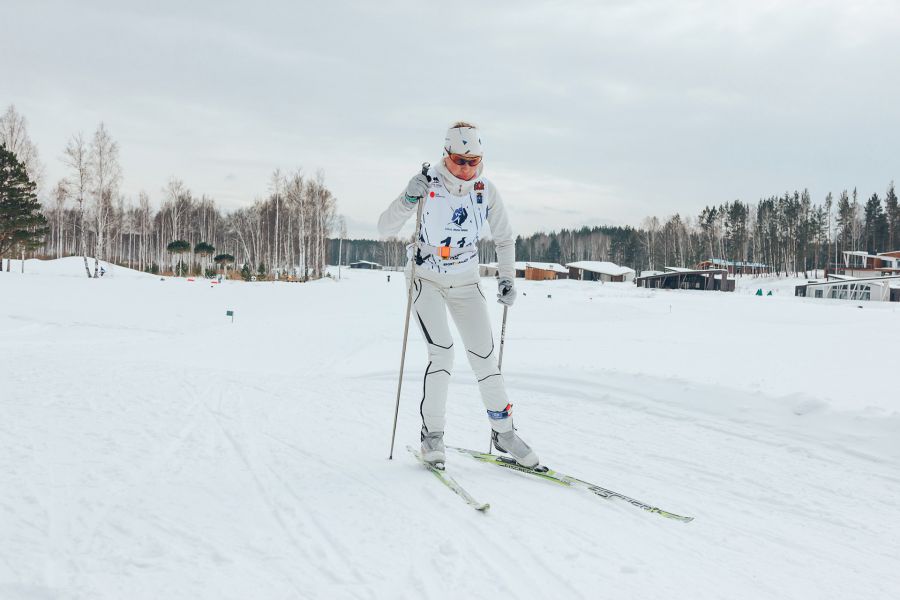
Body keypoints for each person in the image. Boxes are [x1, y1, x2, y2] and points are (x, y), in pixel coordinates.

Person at [378, 122, 539, 468]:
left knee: (484, 355)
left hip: (465, 280)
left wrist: (507, 278)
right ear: (446, 155)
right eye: (459, 160)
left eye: (474, 160)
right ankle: (432, 435)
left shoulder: (486, 190)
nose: (467, 168)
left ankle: (504, 432)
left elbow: (504, 239)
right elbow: (384, 228)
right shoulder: (427, 183)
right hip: (426, 277)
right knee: (443, 353)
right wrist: (408, 198)